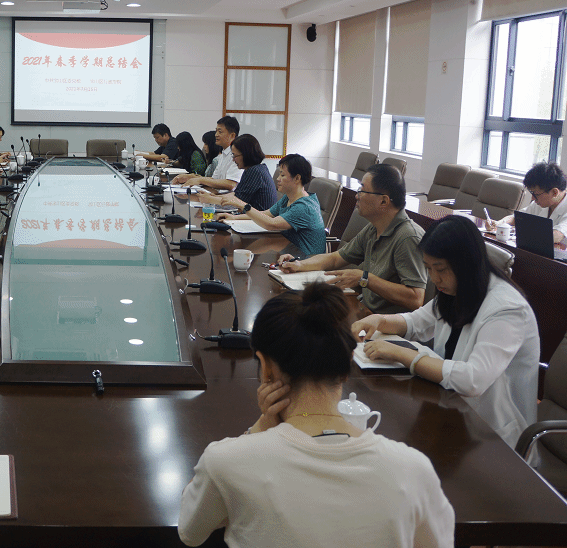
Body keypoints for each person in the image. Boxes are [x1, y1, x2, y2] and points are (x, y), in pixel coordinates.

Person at [178, 283, 454, 548]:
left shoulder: (226, 463)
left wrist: (258, 429)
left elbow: (190, 531)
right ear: (347, 363)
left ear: (266, 367)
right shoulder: (414, 471)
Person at [353, 215, 540, 448]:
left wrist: (403, 354)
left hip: (492, 434)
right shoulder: (458, 288)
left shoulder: (507, 309)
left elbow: (473, 380)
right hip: (450, 407)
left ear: (466, 264)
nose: (434, 278)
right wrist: (379, 320)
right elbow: (416, 322)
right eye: (428, 268)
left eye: (440, 269)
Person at [278, 163, 427, 314]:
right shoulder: (373, 228)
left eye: (362, 191)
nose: (356, 195)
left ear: (383, 201)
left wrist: (365, 279)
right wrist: (299, 264)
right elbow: (336, 259)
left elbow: (416, 299)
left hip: (386, 323)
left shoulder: (408, 237)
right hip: (364, 309)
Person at [217, 154, 325, 257]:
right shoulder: (288, 197)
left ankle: (241, 256)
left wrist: (242, 205)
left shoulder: (304, 207)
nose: (278, 179)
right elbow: (267, 214)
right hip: (289, 251)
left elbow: (271, 224)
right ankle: (241, 255)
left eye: (282, 175)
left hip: (306, 259)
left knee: (266, 243)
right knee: (265, 242)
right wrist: (234, 217)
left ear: (297, 178)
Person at [487, 161, 567, 242]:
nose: (533, 198)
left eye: (536, 194)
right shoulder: (541, 203)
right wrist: (499, 223)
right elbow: (517, 217)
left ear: (554, 192)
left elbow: (557, 236)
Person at [199, 134, 277, 210]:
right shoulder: (255, 169)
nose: (233, 160)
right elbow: (236, 195)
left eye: (235, 156)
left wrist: (210, 199)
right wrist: (213, 197)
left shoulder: (255, 172)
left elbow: (236, 204)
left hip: (254, 218)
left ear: (246, 154)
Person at [173, 116, 242, 189]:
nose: (216, 135)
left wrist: (200, 180)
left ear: (232, 135)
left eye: (220, 132)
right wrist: (191, 177)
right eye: (216, 131)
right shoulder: (223, 155)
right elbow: (214, 180)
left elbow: (231, 184)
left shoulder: (237, 155)